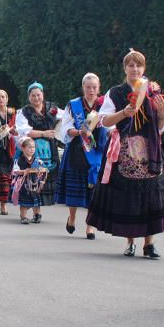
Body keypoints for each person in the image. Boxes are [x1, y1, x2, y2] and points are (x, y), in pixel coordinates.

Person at [88, 49, 164, 258]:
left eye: (138, 65)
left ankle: (150, 243)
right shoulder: (116, 92)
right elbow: (102, 121)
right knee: (129, 196)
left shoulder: (153, 91)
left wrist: (163, 114)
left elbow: (162, 126)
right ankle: (131, 242)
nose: (135, 69)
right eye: (131, 65)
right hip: (126, 151)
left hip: (150, 149)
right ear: (125, 68)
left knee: (152, 195)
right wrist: (123, 113)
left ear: (144, 68)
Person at [56, 73, 109, 239]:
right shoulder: (74, 105)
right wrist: (80, 132)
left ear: (99, 88)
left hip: (97, 152)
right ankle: (71, 218)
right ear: (83, 88)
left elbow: (111, 125)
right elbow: (65, 129)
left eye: (94, 87)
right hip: (77, 151)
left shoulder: (105, 105)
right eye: (88, 87)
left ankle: (90, 226)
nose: (91, 90)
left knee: (93, 192)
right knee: (75, 190)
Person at [15, 82, 61, 211]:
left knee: (44, 177)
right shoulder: (24, 111)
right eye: (33, 95)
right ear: (29, 97)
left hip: (49, 149)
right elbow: (25, 131)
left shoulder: (52, 108)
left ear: (43, 95)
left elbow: (66, 118)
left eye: (38, 95)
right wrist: (43, 133)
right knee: (31, 178)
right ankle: (27, 211)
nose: (36, 98)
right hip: (31, 148)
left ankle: (37, 211)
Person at [12, 137, 47, 224]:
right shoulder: (19, 160)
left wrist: (42, 170)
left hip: (35, 183)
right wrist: (24, 171)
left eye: (33, 147)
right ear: (23, 148)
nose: (32, 149)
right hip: (24, 184)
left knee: (36, 200)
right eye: (30, 147)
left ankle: (37, 215)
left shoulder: (37, 160)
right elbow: (15, 171)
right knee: (24, 201)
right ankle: (23, 216)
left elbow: (42, 168)